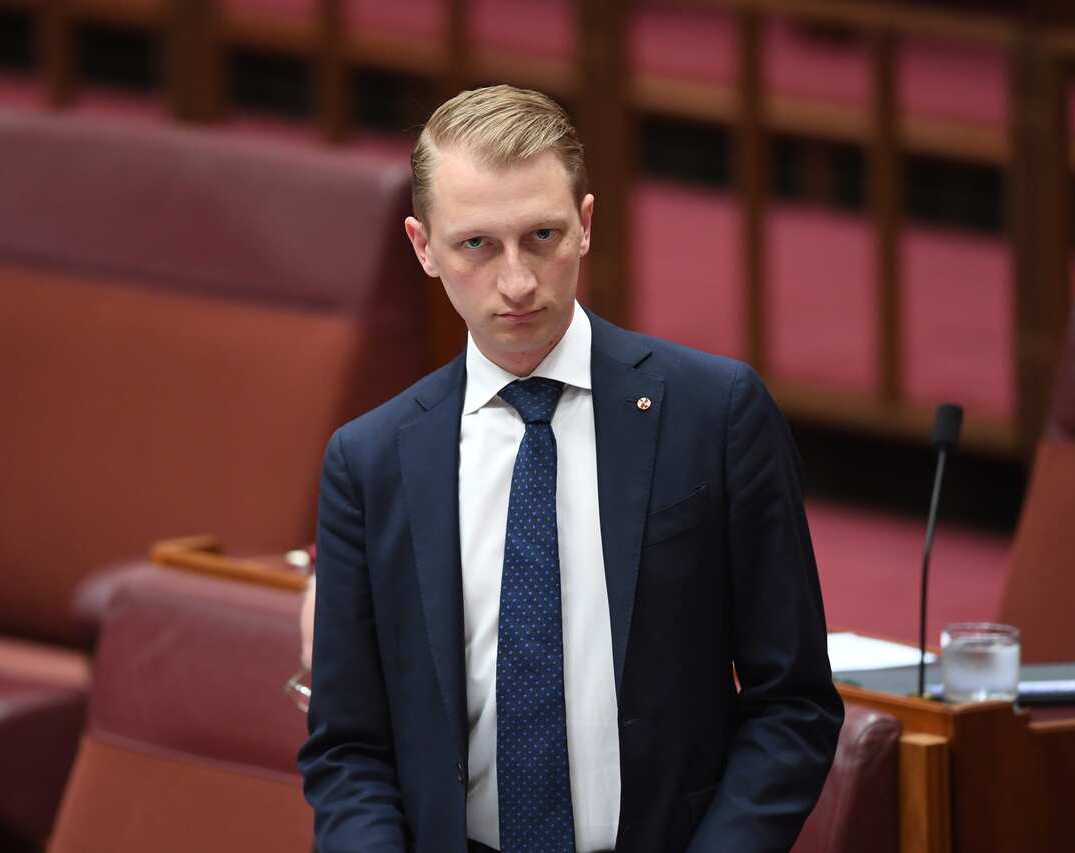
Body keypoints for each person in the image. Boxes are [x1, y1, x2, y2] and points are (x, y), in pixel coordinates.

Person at [299, 84, 843, 853]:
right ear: (423, 247)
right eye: (476, 245)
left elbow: (793, 704)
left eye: (543, 236)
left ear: (585, 226)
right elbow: (348, 747)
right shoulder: (371, 460)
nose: (517, 282)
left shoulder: (715, 414)